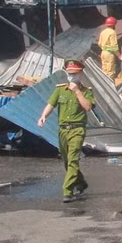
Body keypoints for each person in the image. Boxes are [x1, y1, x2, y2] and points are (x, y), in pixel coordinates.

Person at [37, 59, 95, 203]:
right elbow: (51, 104)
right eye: (69, 73)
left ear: (81, 73)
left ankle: (67, 191)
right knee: (66, 160)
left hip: (77, 129)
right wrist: (43, 116)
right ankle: (81, 182)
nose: (71, 76)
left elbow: (88, 107)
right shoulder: (60, 89)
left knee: (73, 160)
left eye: (74, 73)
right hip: (63, 130)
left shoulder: (86, 91)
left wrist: (77, 91)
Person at [98, 16, 120, 83]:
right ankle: (111, 87)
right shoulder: (112, 32)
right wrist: (119, 55)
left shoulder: (103, 32)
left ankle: (104, 86)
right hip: (109, 54)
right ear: (114, 24)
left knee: (105, 71)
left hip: (103, 52)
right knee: (110, 71)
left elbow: (99, 44)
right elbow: (114, 46)